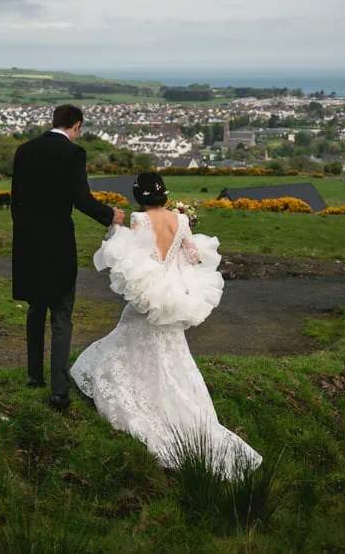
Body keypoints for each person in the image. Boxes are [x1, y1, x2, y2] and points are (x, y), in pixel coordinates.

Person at [70, 172, 261, 478]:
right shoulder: (181, 220)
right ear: (163, 194)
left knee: (131, 333)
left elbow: (132, 255)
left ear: (139, 196)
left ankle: (142, 395)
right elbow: (195, 257)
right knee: (170, 351)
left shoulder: (138, 220)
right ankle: (182, 412)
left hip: (150, 294)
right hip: (171, 296)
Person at [11, 104, 125, 410]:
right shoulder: (73, 154)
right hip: (58, 243)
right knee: (62, 315)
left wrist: (22, 236)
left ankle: (34, 376)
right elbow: (80, 198)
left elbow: (15, 200)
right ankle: (59, 392)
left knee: (36, 309)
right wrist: (110, 215)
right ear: (76, 126)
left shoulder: (24, 150)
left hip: (29, 242)